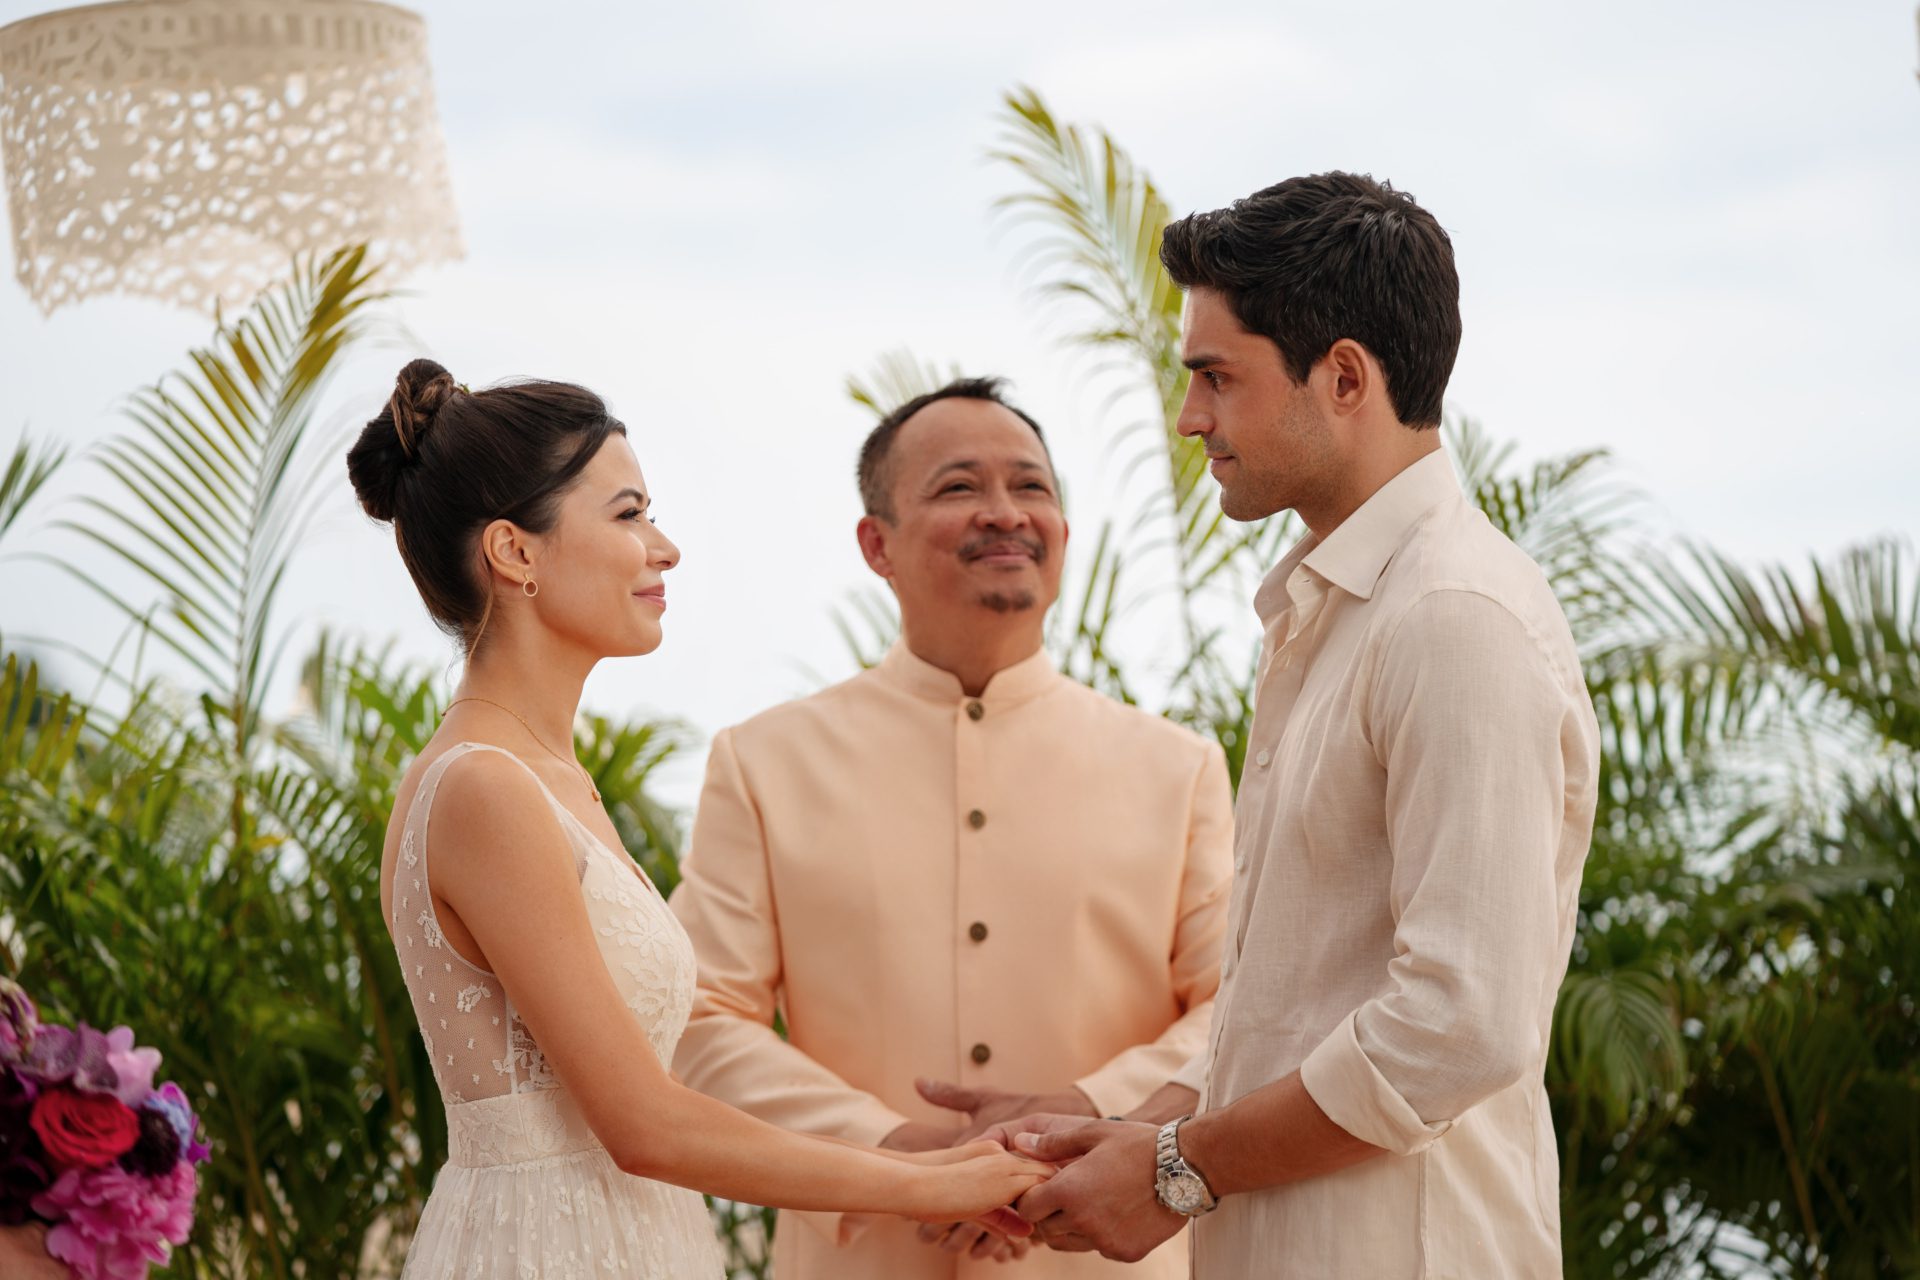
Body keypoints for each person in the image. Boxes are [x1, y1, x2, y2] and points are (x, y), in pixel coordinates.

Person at [988, 174, 1601, 1279]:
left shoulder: (1454, 618)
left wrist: (1173, 1169)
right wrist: (1142, 1133)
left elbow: (1457, 1025)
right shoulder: (1339, 615)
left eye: (1217, 377)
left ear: (1346, 377)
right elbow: (1299, 1006)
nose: (1191, 417)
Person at [346, 361, 1048, 1279]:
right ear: (515, 552)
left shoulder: (548, 781)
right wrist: (928, 1184)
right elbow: (646, 1123)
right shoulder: (485, 787)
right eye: (629, 515)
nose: (665, 549)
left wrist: (940, 1169)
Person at [668, 377, 1235, 1279]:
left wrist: (1089, 1110)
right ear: (877, 544)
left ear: (1063, 530)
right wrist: (895, 1156)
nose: (1005, 512)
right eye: (960, 486)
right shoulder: (764, 762)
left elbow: (1240, 1004)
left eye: (1031, 486)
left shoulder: (1180, 767)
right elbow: (698, 1018)